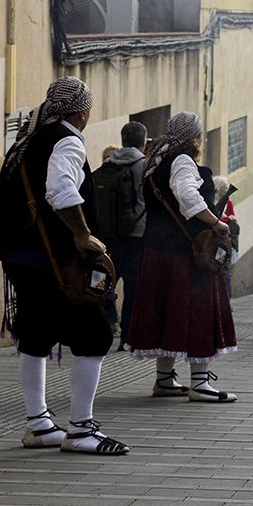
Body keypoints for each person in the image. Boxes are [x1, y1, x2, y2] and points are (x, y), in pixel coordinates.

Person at [0, 77, 129, 454]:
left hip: (20, 257)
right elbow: (61, 191)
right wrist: (83, 235)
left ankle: (38, 425)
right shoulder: (66, 139)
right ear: (83, 112)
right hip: (57, 261)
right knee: (94, 333)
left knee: (33, 333)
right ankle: (81, 430)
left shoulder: (27, 140)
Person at [126, 112, 239, 402]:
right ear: (193, 137)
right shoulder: (183, 161)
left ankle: (164, 380)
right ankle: (199, 384)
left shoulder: (156, 161)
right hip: (188, 253)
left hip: (158, 250)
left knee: (168, 314)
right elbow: (187, 195)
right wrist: (216, 222)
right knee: (198, 313)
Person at [92, 121, 147, 348]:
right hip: (136, 234)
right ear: (143, 142)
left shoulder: (108, 163)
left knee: (104, 282)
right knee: (133, 288)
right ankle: (127, 338)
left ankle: (101, 330)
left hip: (107, 235)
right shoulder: (144, 165)